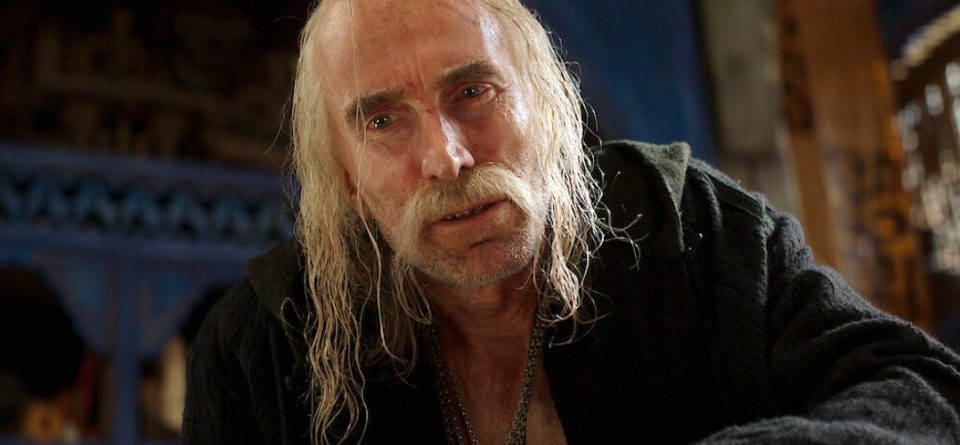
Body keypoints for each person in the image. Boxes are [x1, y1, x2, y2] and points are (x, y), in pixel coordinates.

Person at [182, 0, 960, 443]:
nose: (447, 158)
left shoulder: (689, 225)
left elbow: (923, 389)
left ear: (546, 105)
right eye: (383, 121)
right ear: (346, 177)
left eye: (473, 92)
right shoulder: (262, 345)